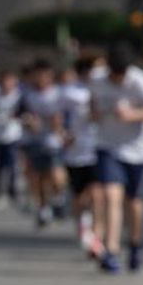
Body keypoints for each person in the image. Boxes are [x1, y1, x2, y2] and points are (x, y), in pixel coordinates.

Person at [91, 43, 143, 274]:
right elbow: (92, 109)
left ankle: (135, 244)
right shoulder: (97, 80)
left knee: (133, 201)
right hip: (108, 146)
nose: (116, 79)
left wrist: (133, 114)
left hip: (138, 150)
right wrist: (100, 113)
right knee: (110, 195)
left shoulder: (141, 82)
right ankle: (111, 250)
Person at [61, 56, 104, 259]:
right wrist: (62, 134)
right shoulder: (70, 93)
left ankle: (96, 238)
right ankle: (82, 223)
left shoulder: (103, 90)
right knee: (79, 197)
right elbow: (58, 117)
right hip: (76, 151)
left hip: (99, 149)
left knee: (97, 194)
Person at [20, 59, 65, 228]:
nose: (40, 78)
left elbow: (65, 118)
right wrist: (29, 122)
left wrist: (59, 125)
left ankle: (59, 197)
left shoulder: (58, 94)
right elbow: (20, 115)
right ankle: (43, 207)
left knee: (55, 174)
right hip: (34, 141)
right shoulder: (27, 95)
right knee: (37, 177)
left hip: (53, 141)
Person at [0, 70, 23, 202]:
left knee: (13, 164)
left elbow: (22, 113)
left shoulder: (18, 97)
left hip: (13, 134)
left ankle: (12, 188)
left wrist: (14, 117)